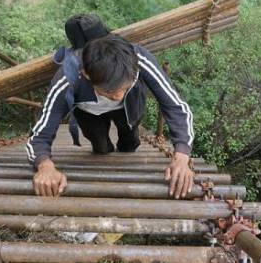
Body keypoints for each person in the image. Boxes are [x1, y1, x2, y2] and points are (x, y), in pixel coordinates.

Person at [25, 14, 194, 199]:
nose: (118, 96)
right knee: (101, 148)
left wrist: (182, 156)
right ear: (86, 75)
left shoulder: (138, 59)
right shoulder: (68, 78)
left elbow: (176, 107)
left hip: (129, 108)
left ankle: (127, 144)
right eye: (110, 92)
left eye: (124, 88)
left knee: (130, 144)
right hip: (89, 112)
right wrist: (45, 165)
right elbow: (39, 135)